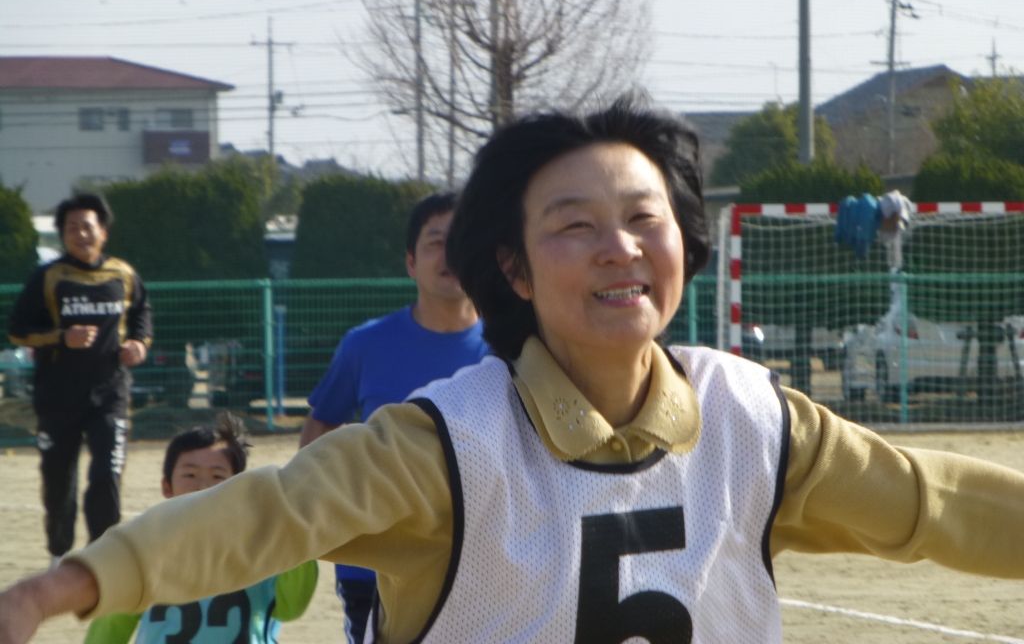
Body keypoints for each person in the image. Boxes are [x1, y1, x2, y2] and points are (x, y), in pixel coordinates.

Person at [7, 96, 1024, 644]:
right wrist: (65, 586)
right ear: (514, 270)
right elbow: (265, 515)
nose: (620, 248)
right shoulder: (444, 445)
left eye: (645, 219)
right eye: (575, 226)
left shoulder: (756, 419)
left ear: (684, 245)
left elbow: (929, 502)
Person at [298, 191, 489, 644]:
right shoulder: (364, 345)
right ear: (410, 263)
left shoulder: (514, 348)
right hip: (374, 566)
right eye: (436, 242)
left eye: (461, 240)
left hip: (483, 563)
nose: (450, 253)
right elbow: (321, 426)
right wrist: (319, 507)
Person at [81, 413, 318, 644]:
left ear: (239, 485)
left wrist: (295, 535)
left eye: (217, 475)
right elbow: (111, 628)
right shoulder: (143, 549)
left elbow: (290, 608)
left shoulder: (260, 544)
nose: (203, 486)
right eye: (190, 474)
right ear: (166, 486)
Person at [7, 193, 152, 568]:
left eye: (87, 226)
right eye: (71, 228)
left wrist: (140, 343)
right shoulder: (48, 277)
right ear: (62, 235)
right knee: (59, 482)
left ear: (103, 232)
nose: (80, 234)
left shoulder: (123, 274)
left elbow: (141, 315)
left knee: (106, 475)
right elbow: (18, 330)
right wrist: (61, 337)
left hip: (110, 395)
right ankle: (59, 557)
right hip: (58, 398)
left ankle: (102, 558)